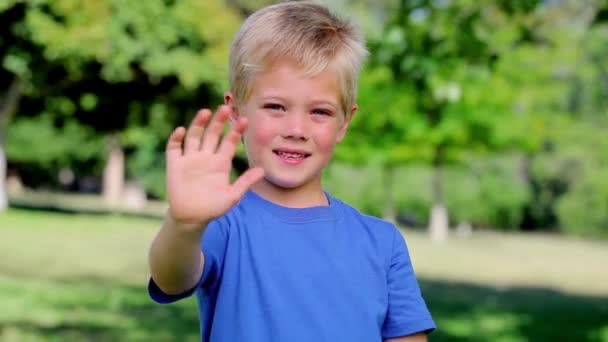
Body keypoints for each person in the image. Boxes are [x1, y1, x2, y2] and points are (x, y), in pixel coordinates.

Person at [147, 2, 435, 341]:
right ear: (236, 110)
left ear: (345, 122)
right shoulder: (223, 225)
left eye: (320, 112)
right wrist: (183, 225)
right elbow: (171, 277)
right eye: (275, 107)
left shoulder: (382, 244)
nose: (297, 128)